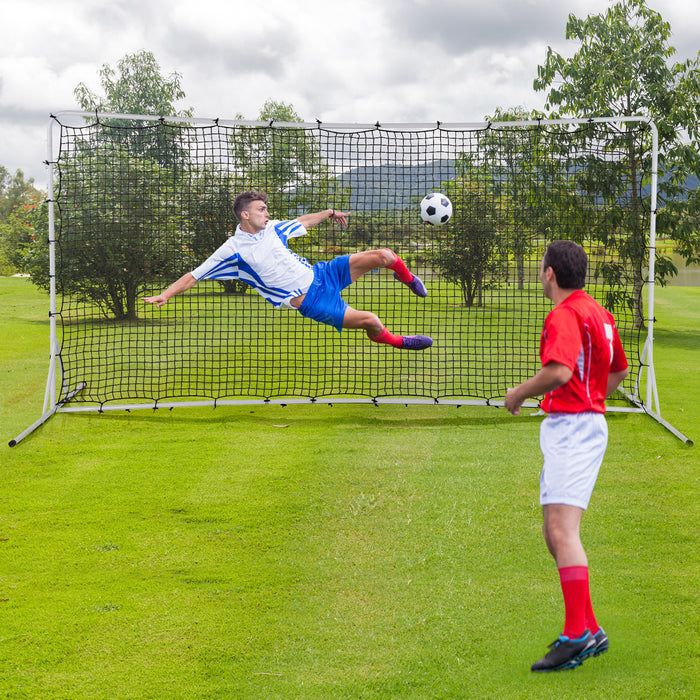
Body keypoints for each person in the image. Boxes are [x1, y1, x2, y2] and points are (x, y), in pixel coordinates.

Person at [504, 240, 629, 672]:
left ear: (551, 273)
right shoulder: (599, 312)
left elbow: (558, 371)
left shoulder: (565, 313)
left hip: (574, 428)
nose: (540, 274)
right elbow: (618, 370)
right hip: (582, 424)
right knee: (552, 531)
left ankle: (576, 635)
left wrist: (518, 393)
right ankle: (589, 628)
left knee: (561, 531)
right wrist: (595, 399)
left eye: (541, 268)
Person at [142, 191, 433, 350]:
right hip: (311, 301)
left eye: (267, 209)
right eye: (262, 209)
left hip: (324, 274)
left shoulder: (273, 228)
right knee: (372, 321)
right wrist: (166, 294)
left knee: (384, 255)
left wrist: (330, 213)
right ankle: (400, 342)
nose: (267, 213)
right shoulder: (233, 250)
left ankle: (407, 278)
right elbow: (194, 275)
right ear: (245, 215)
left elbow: (303, 221)